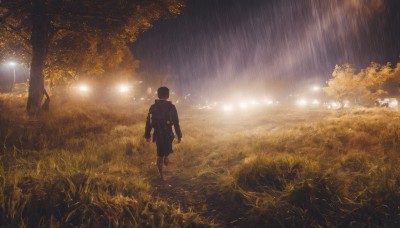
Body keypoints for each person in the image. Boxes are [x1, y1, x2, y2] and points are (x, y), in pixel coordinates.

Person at [145, 86, 182, 180]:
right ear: (168, 95)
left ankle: (161, 174)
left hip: (157, 134)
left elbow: (148, 122)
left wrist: (147, 135)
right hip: (168, 133)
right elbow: (176, 122)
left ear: (158, 95)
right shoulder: (171, 107)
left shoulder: (153, 107)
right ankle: (166, 157)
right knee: (168, 149)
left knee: (159, 153)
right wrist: (179, 135)